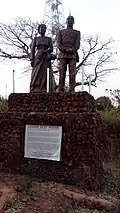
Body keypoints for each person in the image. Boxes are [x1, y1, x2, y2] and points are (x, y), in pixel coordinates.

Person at [57, 15, 81, 92]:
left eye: (72, 19)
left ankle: (72, 88)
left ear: (73, 22)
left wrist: (72, 50)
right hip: (63, 54)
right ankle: (61, 87)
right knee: (62, 72)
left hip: (72, 54)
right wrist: (64, 49)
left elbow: (77, 44)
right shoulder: (61, 32)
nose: (70, 21)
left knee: (72, 73)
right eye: (68, 19)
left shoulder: (77, 32)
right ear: (66, 21)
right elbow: (58, 43)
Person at [30, 24, 53, 92]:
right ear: (39, 29)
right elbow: (32, 49)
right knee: (36, 72)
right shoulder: (36, 39)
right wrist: (32, 59)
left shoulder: (49, 39)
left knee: (45, 72)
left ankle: (44, 87)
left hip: (46, 57)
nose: (42, 29)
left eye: (44, 28)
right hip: (38, 57)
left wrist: (45, 51)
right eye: (41, 28)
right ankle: (34, 87)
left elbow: (51, 48)